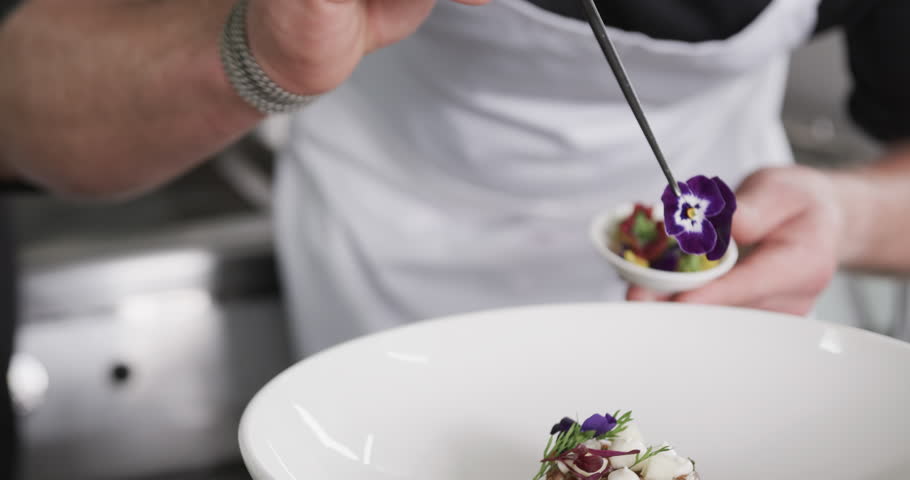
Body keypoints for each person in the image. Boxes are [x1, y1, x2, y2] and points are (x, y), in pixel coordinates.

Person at [0, 0, 908, 360]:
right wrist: (265, 51)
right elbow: (22, 114)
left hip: (732, 324)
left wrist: (843, 214)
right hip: (389, 314)